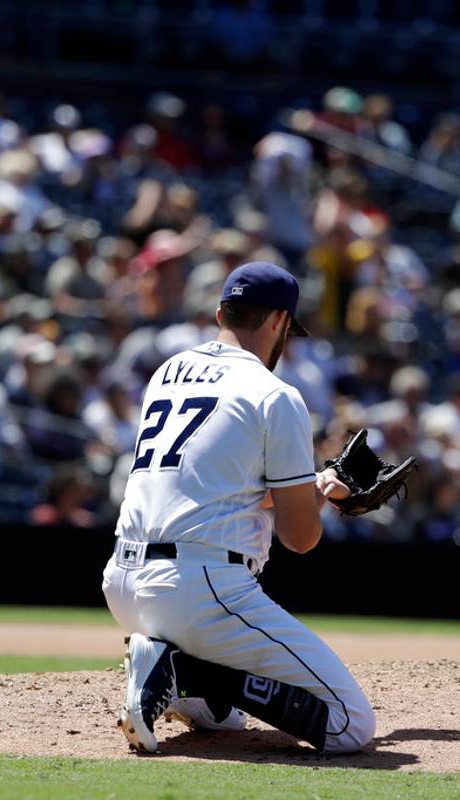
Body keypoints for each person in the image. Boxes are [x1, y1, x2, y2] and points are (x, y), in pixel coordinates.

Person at [103, 261, 375, 755]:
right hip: (197, 589)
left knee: (222, 716)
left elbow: (216, 484)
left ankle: (182, 674)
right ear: (278, 322)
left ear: (220, 312)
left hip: (122, 583)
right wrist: (320, 493)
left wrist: (317, 482)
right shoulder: (275, 394)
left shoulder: (167, 373)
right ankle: (179, 667)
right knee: (349, 726)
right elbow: (300, 537)